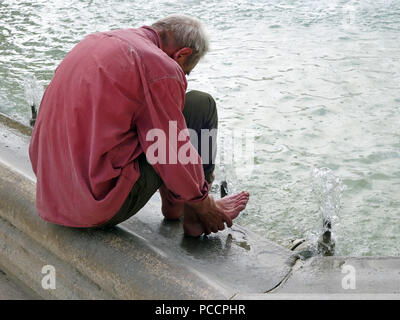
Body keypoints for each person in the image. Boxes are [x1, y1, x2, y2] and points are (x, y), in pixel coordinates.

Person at [29, 14, 249, 237]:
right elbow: (169, 149)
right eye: (185, 71)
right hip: (93, 207)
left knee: (159, 122)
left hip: (50, 194)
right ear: (182, 54)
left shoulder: (96, 41)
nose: (182, 78)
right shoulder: (159, 66)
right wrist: (204, 202)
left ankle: (182, 200)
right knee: (201, 104)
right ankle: (194, 212)